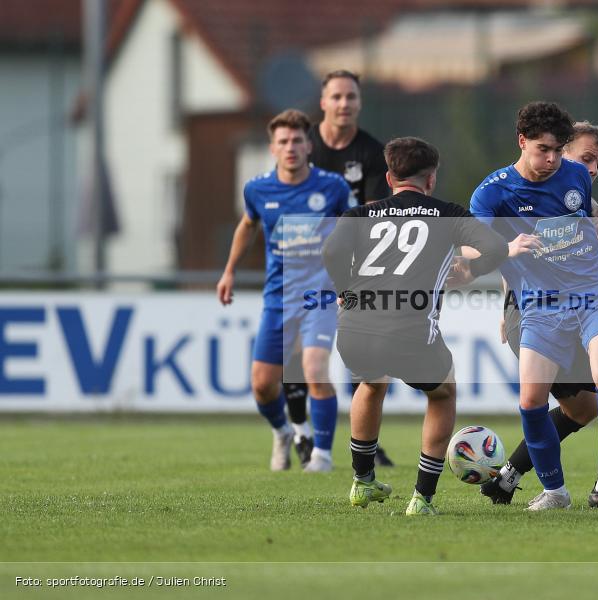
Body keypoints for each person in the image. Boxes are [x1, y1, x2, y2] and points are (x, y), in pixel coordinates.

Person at [322, 136, 535, 515]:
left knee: (370, 384)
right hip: (409, 332)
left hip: (353, 330)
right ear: (431, 179)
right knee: (442, 393)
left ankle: (363, 482)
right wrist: (470, 269)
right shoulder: (447, 214)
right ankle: (422, 498)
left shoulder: (359, 215)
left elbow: (331, 250)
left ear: (389, 178)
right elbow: (496, 248)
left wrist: (343, 290)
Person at [466, 102, 598, 510]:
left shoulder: (575, 175)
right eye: (544, 149)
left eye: (559, 150)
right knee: (530, 401)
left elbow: (581, 220)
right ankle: (556, 492)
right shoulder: (492, 193)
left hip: (594, 292)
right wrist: (507, 249)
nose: (553, 159)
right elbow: (474, 250)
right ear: (521, 141)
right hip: (540, 304)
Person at [216, 109, 352, 473]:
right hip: (278, 298)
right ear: (272, 148)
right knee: (262, 385)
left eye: (296, 140)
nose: (290, 147)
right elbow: (247, 226)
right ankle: (284, 432)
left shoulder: (333, 187)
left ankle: (321, 455)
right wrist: (229, 271)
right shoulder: (257, 189)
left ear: (309, 145)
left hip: (320, 295)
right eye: (283, 142)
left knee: (314, 368)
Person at [283, 69, 394, 467]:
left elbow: (378, 216)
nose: (345, 104)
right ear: (323, 101)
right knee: (298, 356)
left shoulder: (372, 153)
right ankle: (300, 431)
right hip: (304, 266)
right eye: (337, 97)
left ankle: (365, 439)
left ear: (359, 103)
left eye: (351, 97)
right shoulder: (302, 144)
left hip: (355, 268)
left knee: (359, 353)